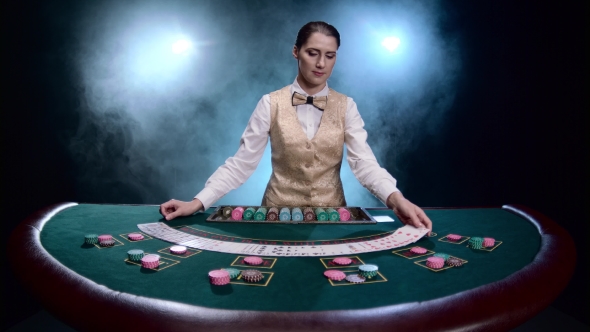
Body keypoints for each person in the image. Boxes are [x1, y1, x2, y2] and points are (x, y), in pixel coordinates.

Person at [160, 21, 432, 231]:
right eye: (313, 53)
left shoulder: (347, 106)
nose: (321, 63)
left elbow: (364, 164)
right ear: (296, 52)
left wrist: (397, 200)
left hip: (332, 222)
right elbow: (242, 164)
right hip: (275, 219)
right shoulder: (269, 103)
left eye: (330, 55)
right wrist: (197, 202)